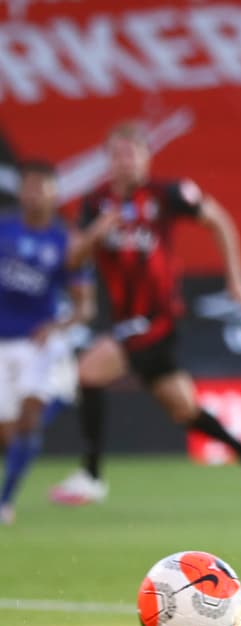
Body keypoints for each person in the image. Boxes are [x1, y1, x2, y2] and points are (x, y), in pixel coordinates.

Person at [46, 121, 241, 509]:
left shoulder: (167, 194)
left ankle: (92, 476)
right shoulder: (95, 204)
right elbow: (72, 257)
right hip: (124, 320)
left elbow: (218, 220)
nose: (126, 161)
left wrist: (237, 280)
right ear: (108, 160)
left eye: (133, 153)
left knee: (87, 372)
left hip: (157, 318)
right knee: (182, 408)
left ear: (146, 158)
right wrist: (95, 235)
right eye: (118, 154)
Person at [0, 160, 110, 524]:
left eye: (42, 188)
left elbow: (85, 305)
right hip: (2, 342)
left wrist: (57, 325)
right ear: (21, 191)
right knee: (7, 432)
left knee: (30, 419)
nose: (34, 195)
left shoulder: (66, 242)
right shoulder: (4, 230)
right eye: (29, 187)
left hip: (37, 344)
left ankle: (5, 501)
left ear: (54, 194)